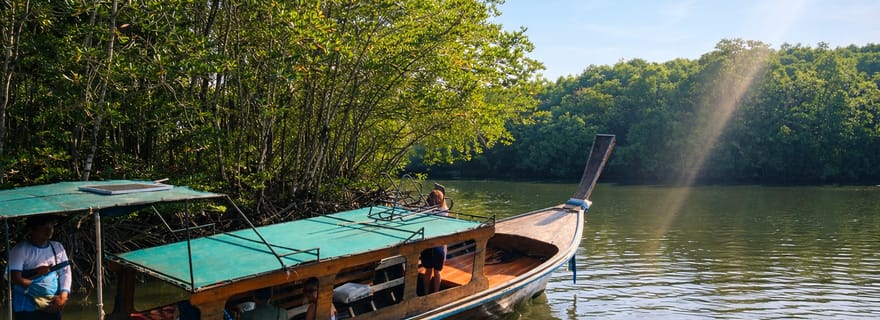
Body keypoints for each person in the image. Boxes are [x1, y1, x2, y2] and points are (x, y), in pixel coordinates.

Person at [6, 215, 72, 320]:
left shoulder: (57, 247)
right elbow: (14, 277)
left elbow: (65, 273)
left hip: (52, 304)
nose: (49, 230)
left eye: (51, 227)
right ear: (33, 229)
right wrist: (37, 283)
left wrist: (63, 296)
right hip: (27, 308)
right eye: (45, 227)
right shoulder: (20, 249)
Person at [419, 187, 449, 294]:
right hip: (438, 245)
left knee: (428, 270)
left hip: (426, 244)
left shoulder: (424, 210)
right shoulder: (444, 211)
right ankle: (435, 293)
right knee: (437, 271)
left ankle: (427, 292)